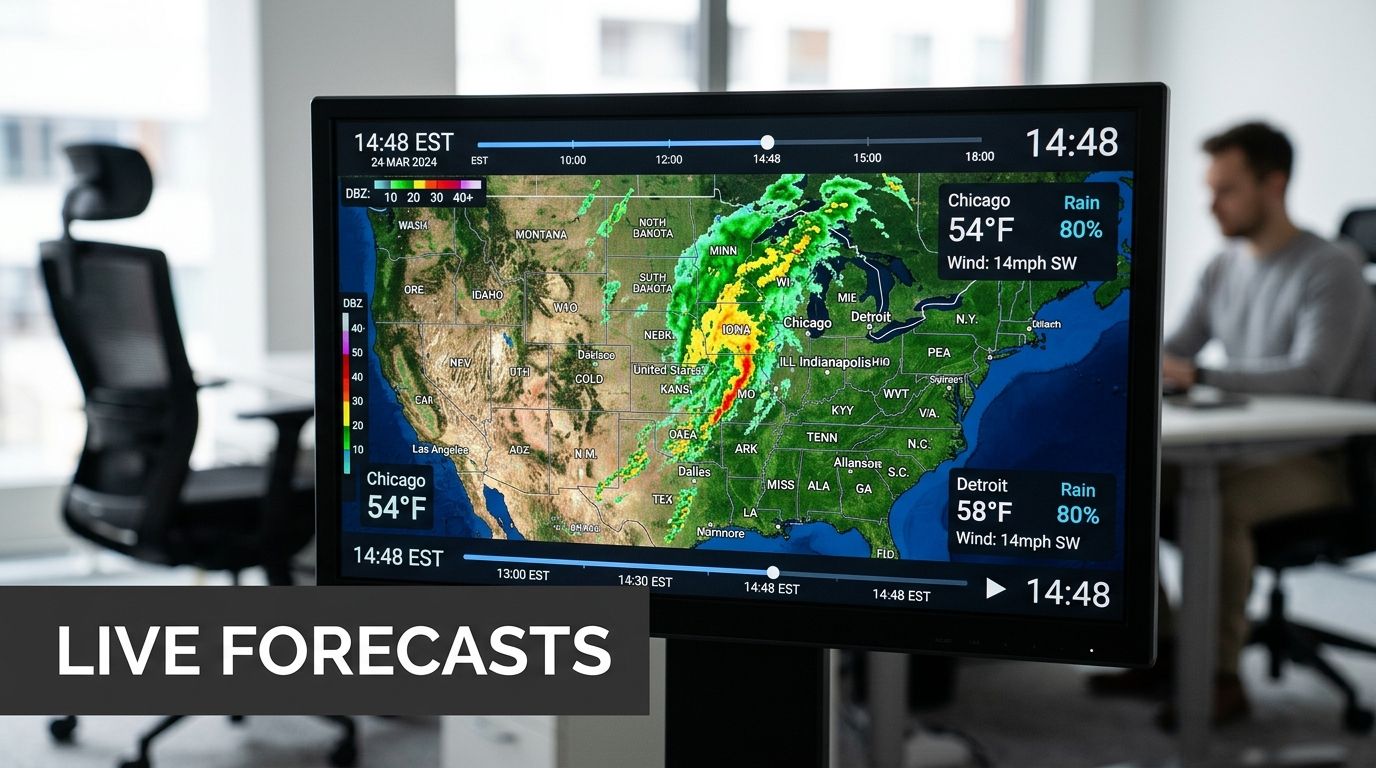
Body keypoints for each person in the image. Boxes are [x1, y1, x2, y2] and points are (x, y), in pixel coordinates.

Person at [1091, 121, 1376, 726]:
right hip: (1240, 447)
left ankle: (1216, 676)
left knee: (1217, 504)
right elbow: (1171, 351)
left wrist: (1201, 375)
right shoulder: (1224, 267)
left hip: (1322, 459)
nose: (1212, 203)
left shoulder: (1333, 268)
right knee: (1121, 484)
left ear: (1274, 184)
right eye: (1211, 188)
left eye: (1227, 189)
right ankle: (1162, 652)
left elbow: (1313, 377)